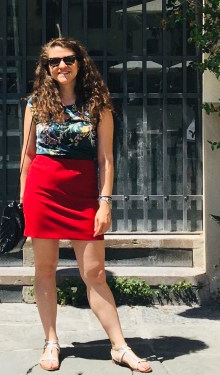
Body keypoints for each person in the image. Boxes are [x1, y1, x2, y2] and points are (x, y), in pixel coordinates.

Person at [20, 37, 152, 373]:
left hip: (82, 198)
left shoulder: (98, 105)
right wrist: (23, 202)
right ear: (46, 68)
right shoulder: (35, 104)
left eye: (67, 59)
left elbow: (106, 159)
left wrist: (104, 202)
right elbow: (28, 156)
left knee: (94, 272)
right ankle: (51, 341)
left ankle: (120, 347)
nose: (61, 66)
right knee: (45, 270)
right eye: (53, 61)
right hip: (42, 194)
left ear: (80, 62)